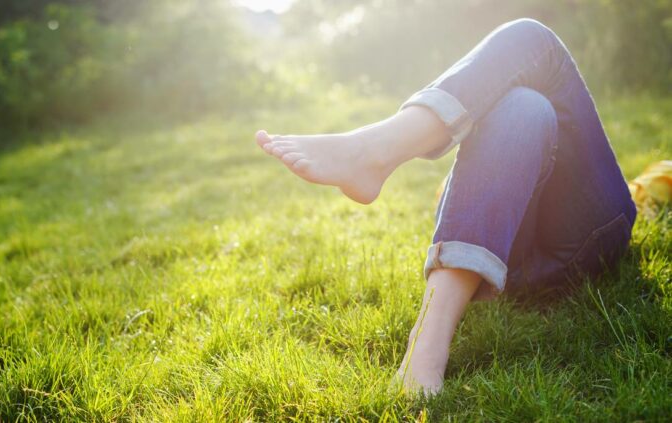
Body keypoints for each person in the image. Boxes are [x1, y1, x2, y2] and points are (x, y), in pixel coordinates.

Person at [255, 18, 636, 396]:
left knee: (534, 42)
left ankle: (374, 151)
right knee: (524, 106)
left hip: (581, 236)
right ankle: (425, 347)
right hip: (505, 256)